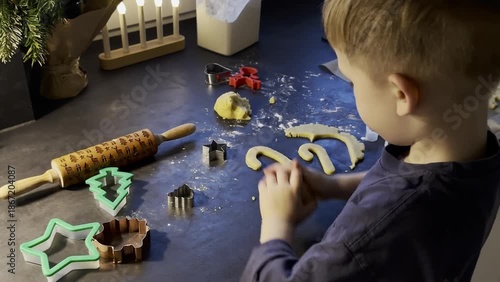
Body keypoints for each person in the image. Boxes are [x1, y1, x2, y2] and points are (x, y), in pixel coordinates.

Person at [240, 0, 500, 281]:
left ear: (401, 94)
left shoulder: (363, 242)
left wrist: (276, 226)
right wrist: (335, 186)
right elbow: (410, 181)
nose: (352, 91)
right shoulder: (474, 155)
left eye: (352, 82)